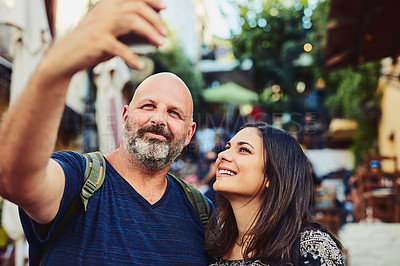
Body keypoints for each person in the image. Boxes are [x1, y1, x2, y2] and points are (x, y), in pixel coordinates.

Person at [0, 0, 214, 265]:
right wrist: (57, 67)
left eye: (174, 113)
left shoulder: (202, 214)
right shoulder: (77, 178)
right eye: (148, 106)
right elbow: (12, 177)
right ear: (125, 117)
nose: (159, 119)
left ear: (190, 132)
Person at [205, 122, 345, 265]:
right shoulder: (211, 250)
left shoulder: (311, 248)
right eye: (227, 147)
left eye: (244, 150)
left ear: (273, 175)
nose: (222, 155)